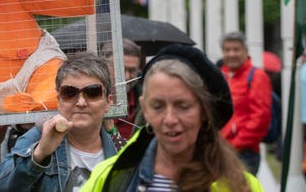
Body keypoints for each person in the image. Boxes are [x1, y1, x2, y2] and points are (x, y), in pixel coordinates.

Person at [81, 44, 263, 191]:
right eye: (157, 106)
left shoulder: (238, 186)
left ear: (205, 112)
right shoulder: (109, 178)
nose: (169, 119)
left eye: (183, 106)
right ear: (144, 108)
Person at [0, 52, 118, 192]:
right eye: (70, 93)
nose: (81, 102)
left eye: (93, 92)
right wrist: (39, 153)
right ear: (58, 100)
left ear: (108, 102)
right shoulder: (40, 135)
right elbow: (3, 186)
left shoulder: (120, 149)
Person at [219, 31, 272, 175]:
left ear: (245, 51)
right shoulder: (219, 76)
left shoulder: (257, 76)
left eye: (236, 49)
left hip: (244, 153)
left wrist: (234, 145)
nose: (231, 54)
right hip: (220, 150)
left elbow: (260, 119)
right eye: (227, 50)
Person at [115, 39, 143, 139]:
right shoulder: (89, 100)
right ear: (105, 67)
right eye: (121, 69)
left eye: (132, 70)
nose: (127, 77)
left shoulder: (144, 101)